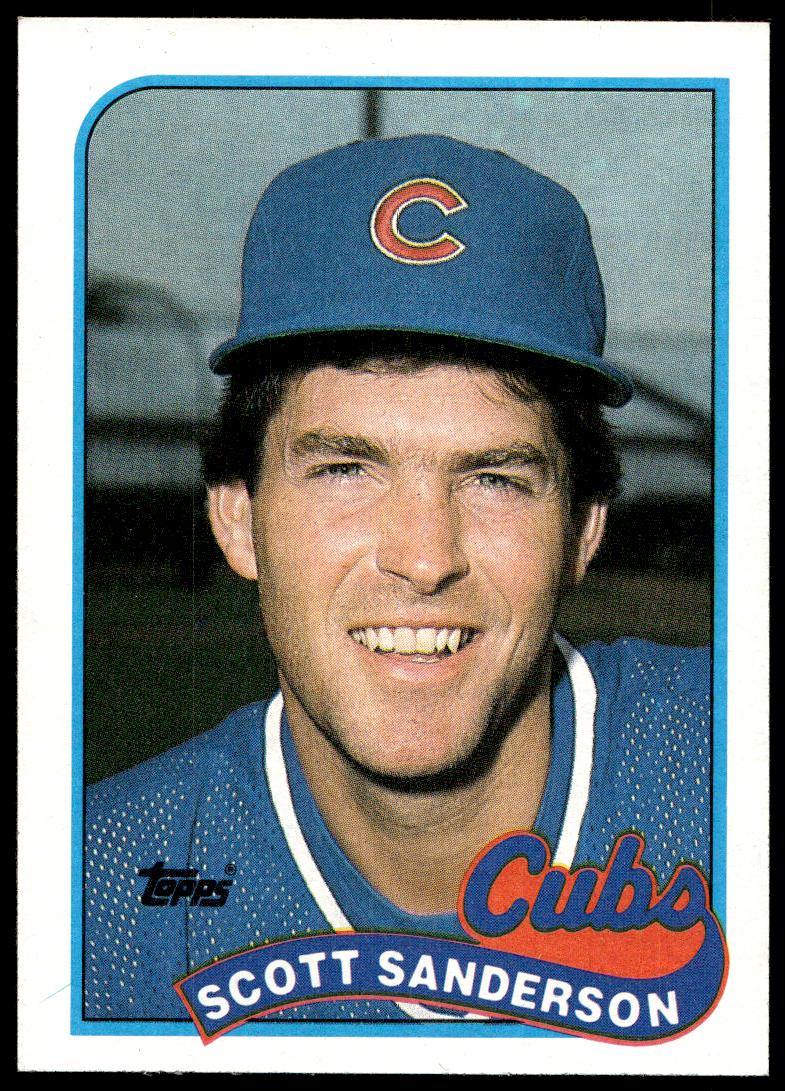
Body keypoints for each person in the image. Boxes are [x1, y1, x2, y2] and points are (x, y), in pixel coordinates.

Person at [84, 135, 711, 1022]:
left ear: (582, 531)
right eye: (345, 468)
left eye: (493, 477)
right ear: (236, 519)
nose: (423, 557)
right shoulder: (102, 891)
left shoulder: (729, 767)